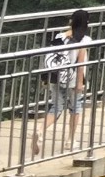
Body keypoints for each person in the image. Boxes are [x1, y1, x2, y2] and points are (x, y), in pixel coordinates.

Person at [32, 8, 93, 157]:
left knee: (57, 107)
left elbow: (51, 58)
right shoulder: (84, 39)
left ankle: (40, 130)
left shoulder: (59, 36)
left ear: (71, 21)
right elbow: (80, 63)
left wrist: (46, 78)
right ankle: (71, 140)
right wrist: (80, 83)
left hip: (57, 75)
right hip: (72, 78)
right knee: (75, 108)